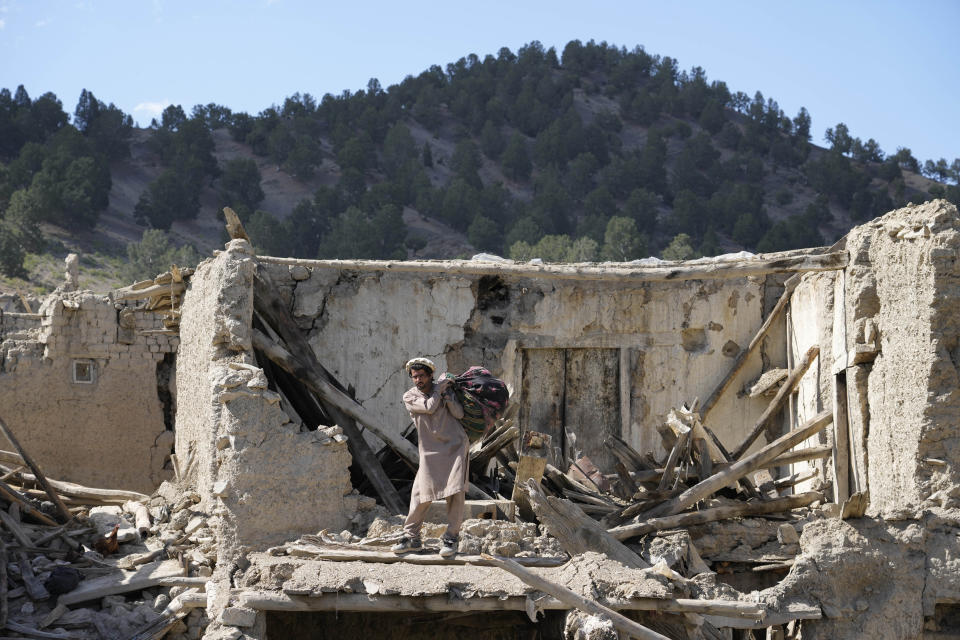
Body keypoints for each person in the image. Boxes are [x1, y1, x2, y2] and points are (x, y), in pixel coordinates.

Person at [391, 357, 467, 557]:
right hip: (430, 451)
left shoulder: (442, 390)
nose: (418, 380)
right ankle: (412, 538)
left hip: (455, 446)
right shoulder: (410, 397)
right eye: (414, 377)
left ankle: (451, 539)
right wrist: (439, 390)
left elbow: (459, 415)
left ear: (430, 375)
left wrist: (449, 397)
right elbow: (429, 407)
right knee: (421, 494)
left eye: (422, 376)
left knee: (455, 492)